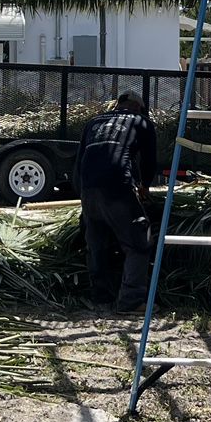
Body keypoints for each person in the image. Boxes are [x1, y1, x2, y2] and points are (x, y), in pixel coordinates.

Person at [74, 91, 159, 313]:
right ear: (139, 108)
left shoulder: (93, 122)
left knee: (96, 245)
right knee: (139, 242)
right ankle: (130, 301)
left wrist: (82, 194)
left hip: (88, 186)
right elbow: (149, 160)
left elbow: (80, 158)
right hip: (118, 185)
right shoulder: (142, 122)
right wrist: (144, 186)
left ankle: (100, 298)